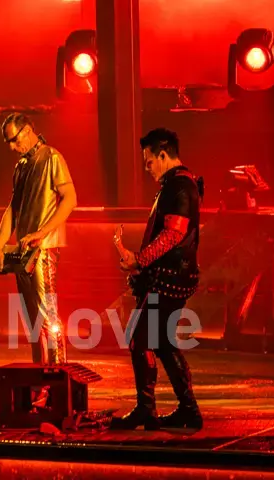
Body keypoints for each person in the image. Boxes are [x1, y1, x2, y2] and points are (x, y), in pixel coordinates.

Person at [111, 128, 204, 430]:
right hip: (171, 276)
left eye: (149, 161)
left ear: (163, 155)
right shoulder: (176, 185)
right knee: (161, 342)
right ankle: (185, 410)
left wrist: (139, 259)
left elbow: (173, 235)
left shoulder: (179, 186)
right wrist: (140, 263)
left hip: (170, 278)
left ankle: (147, 409)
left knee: (142, 340)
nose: (147, 167)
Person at [0, 113, 78, 365]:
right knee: (32, 319)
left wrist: (42, 232)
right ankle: (39, 375)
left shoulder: (52, 157)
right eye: (8, 142)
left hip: (44, 249)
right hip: (24, 251)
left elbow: (70, 199)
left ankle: (56, 375)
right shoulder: (21, 166)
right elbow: (13, 207)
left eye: (14, 139)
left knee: (47, 314)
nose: (11, 146)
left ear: (28, 130)